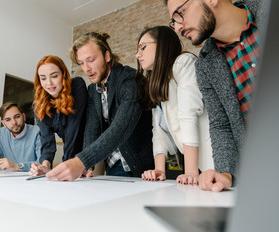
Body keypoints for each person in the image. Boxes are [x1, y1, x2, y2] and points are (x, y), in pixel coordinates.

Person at [164, 0, 267, 191]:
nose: (177, 28)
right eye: (174, 21)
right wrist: (226, 172)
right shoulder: (204, 65)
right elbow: (221, 124)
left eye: (181, 13)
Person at [45, 32, 154, 181]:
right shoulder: (93, 90)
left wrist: (81, 161)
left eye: (90, 60)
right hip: (113, 166)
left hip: (140, 167)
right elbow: (92, 129)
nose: (86, 68)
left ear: (107, 56)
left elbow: (120, 127)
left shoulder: (130, 80)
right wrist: (87, 166)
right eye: (81, 62)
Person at [136, 26, 213, 185]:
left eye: (143, 47)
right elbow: (158, 130)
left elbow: (188, 114)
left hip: (215, 158)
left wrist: (190, 172)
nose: (138, 54)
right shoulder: (157, 83)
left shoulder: (183, 63)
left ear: (162, 44)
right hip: (199, 166)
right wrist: (159, 170)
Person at [29, 55, 90, 177]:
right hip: (71, 159)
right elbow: (47, 142)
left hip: (90, 154)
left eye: (54, 76)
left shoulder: (77, 86)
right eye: (43, 78)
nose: (49, 83)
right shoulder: (39, 107)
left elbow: (73, 129)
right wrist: (45, 166)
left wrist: (68, 163)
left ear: (63, 75)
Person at [0, 101, 41, 171]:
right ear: (4, 123)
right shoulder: (1, 133)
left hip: (33, 179)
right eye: (8, 120)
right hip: (9, 179)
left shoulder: (38, 132)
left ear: (24, 117)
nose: (14, 122)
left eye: (17, 117)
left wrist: (16, 166)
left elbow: (42, 164)